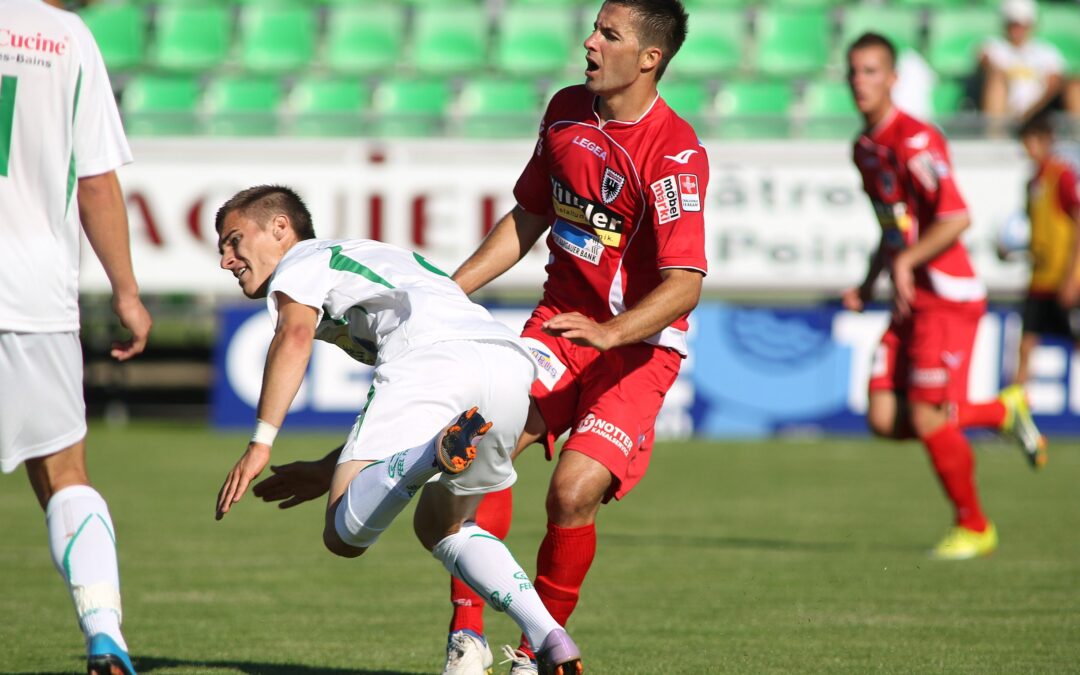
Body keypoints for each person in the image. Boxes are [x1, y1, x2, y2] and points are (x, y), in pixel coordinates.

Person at [212, 185, 584, 675]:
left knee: (343, 536)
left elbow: (294, 334)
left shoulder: (301, 260)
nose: (226, 260)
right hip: (505, 364)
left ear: (280, 228)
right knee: (443, 526)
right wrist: (330, 468)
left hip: (430, 359)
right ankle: (548, 636)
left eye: (234, 241)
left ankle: (431, 456)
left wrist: (261, 441)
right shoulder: (382, 259)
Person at [439, 1, 708, 671]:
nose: (588, 42)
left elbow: (684, 283)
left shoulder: (674, 153)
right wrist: (448, 291)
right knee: (477, 444)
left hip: (637, 350)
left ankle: (536, 651)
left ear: (649, 58)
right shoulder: (564, 111)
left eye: (608, 35)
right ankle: (466, 637)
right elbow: (528, 216)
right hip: (560, 324)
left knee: (572, 491)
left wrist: (611, 332)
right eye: (593, 28)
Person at [843, 32, 1046, 562]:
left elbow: (956, 216)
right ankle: (998, 413)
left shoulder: (916, 140)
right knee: (885, 418)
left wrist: (907, 263)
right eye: (853, 71)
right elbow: (891, 225)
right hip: (909, 300)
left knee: (930, 416)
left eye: (870, 71)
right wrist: (870, 282)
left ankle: (975, 526)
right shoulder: (864, 148)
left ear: (892, 79)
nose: (858, 82)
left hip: (946, 296)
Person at [0, 1, 153, 673]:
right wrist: (126, 289)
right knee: (65, 475)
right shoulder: (65, 38)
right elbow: (95, 182)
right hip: (33, 294)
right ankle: (104, 631)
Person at [1010, 113, 1080, 385]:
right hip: (1040, 278)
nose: (1029, 148)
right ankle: (1016, 415)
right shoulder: (1032, 183)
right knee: (1026, 345)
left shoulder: (1062, 176)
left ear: (1046, 140)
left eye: (1033, 141)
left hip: (1065, 277)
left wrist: (1073, 277)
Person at [978, 0, 1073, 126]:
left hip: (1039, 111)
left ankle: (1076, 134)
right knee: (996, 82)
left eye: (1022, 24)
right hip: (1008, 110)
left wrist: (1030, 113)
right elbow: (985, 62)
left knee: (1075, 87)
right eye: (1013, 24)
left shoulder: (1047, 52)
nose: (1017, 29)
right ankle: (996, 134)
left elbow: (1054, 83)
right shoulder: (992, 46)